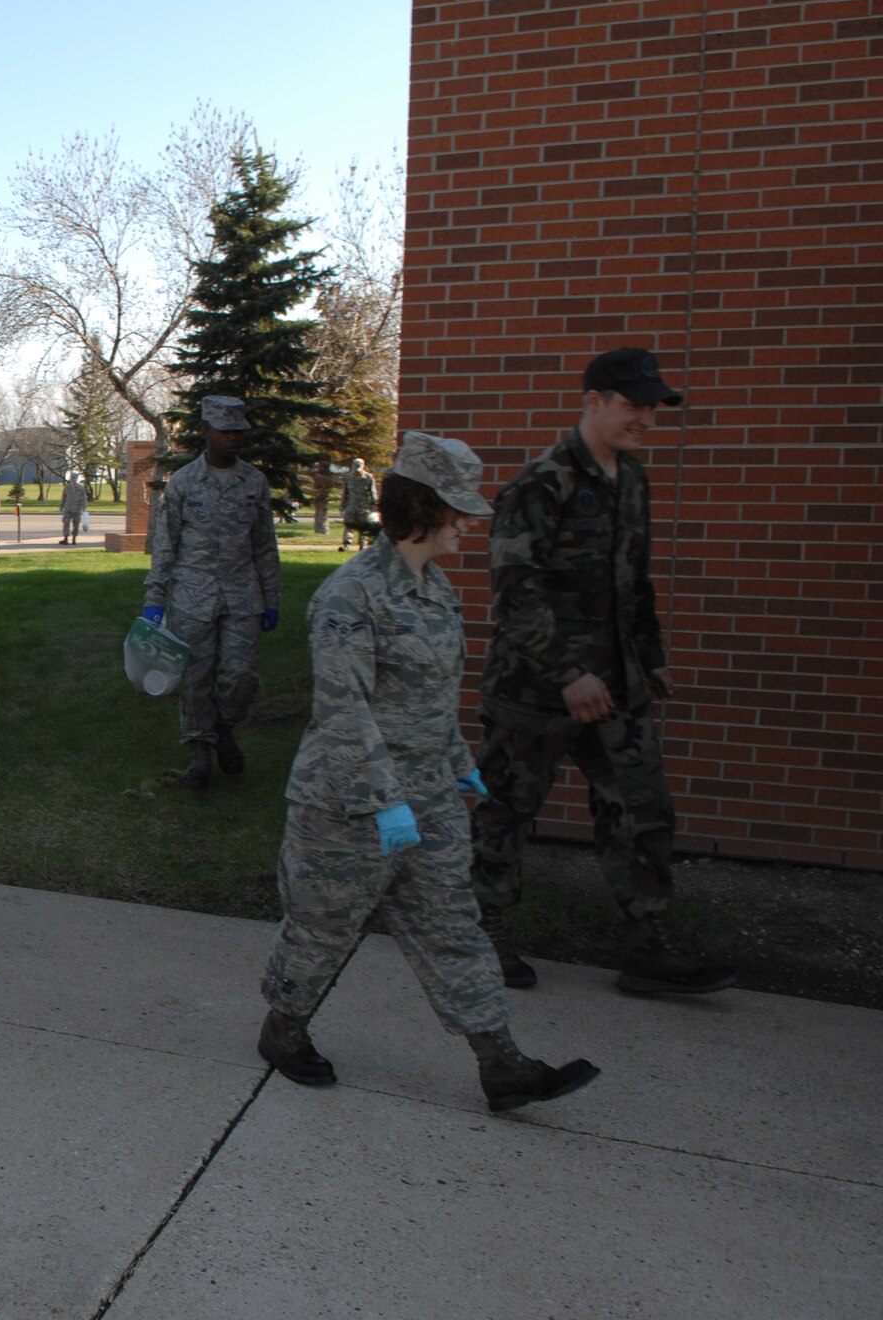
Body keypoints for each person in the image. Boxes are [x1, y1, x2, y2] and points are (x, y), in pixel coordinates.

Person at [258, 431, 600, 1113]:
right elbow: (343, 713)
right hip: (348, 806)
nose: (468, 525)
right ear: (423, 507)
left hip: (430, 800)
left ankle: (502, 1064)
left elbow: (435, 699)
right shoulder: (349, 597)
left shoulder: (435, 588)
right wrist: (385, 803)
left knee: (454, 927)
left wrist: (459, 767)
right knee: (322, 932)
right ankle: (283, 1028)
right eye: (458, 511)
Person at [472, 347, 735, 996]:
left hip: (616, 686)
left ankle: (648, 948)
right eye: (633, 404)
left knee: (641, 806)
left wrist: (651, 658)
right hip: (535, 690)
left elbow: (633, 584)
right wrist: (567, 673)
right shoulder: (543, 485)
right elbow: (513, 594)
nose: (645, 416)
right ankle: (477, 938)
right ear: (593, 401)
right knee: (509, 810)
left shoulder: (633, 481)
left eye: (653, 405)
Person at [140, 395, 281, 786]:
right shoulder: (184, 482)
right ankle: (199, 751)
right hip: (192, 596)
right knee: (197, 678)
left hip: (242, 595)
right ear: (205, 432)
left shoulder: (253, 482)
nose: (234, 438)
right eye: (226, 431)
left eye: (239, 432)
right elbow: (165, 545)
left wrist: (271, 600)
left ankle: (223, 727)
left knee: (241, 676)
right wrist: (155, 598)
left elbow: (265, 545)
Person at [339, 456, 378, 551]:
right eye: (355, 467)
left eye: (359, 467)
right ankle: (346, 545)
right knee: (348, 525)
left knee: (363, 527)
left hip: (363, 507)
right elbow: (345, 493)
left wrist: (374, 505)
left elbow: (373, 492)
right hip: (351, 506)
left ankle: (362, 545)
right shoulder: (348, 477)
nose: (357, 470)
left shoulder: (368, 477)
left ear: (363, 466)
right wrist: (342, 506)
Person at [58, 472, 87, 544]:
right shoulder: (67, 487)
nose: (73, 480)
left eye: (74, 478)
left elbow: (83, 499)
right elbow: (63, 498)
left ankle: (74, 539)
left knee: (76, 525)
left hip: (77, 510)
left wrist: (82, 509)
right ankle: (65, 538)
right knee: (66, 524)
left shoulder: (80, 488)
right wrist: (61, 507)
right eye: (72, 478)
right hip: (68, 509)